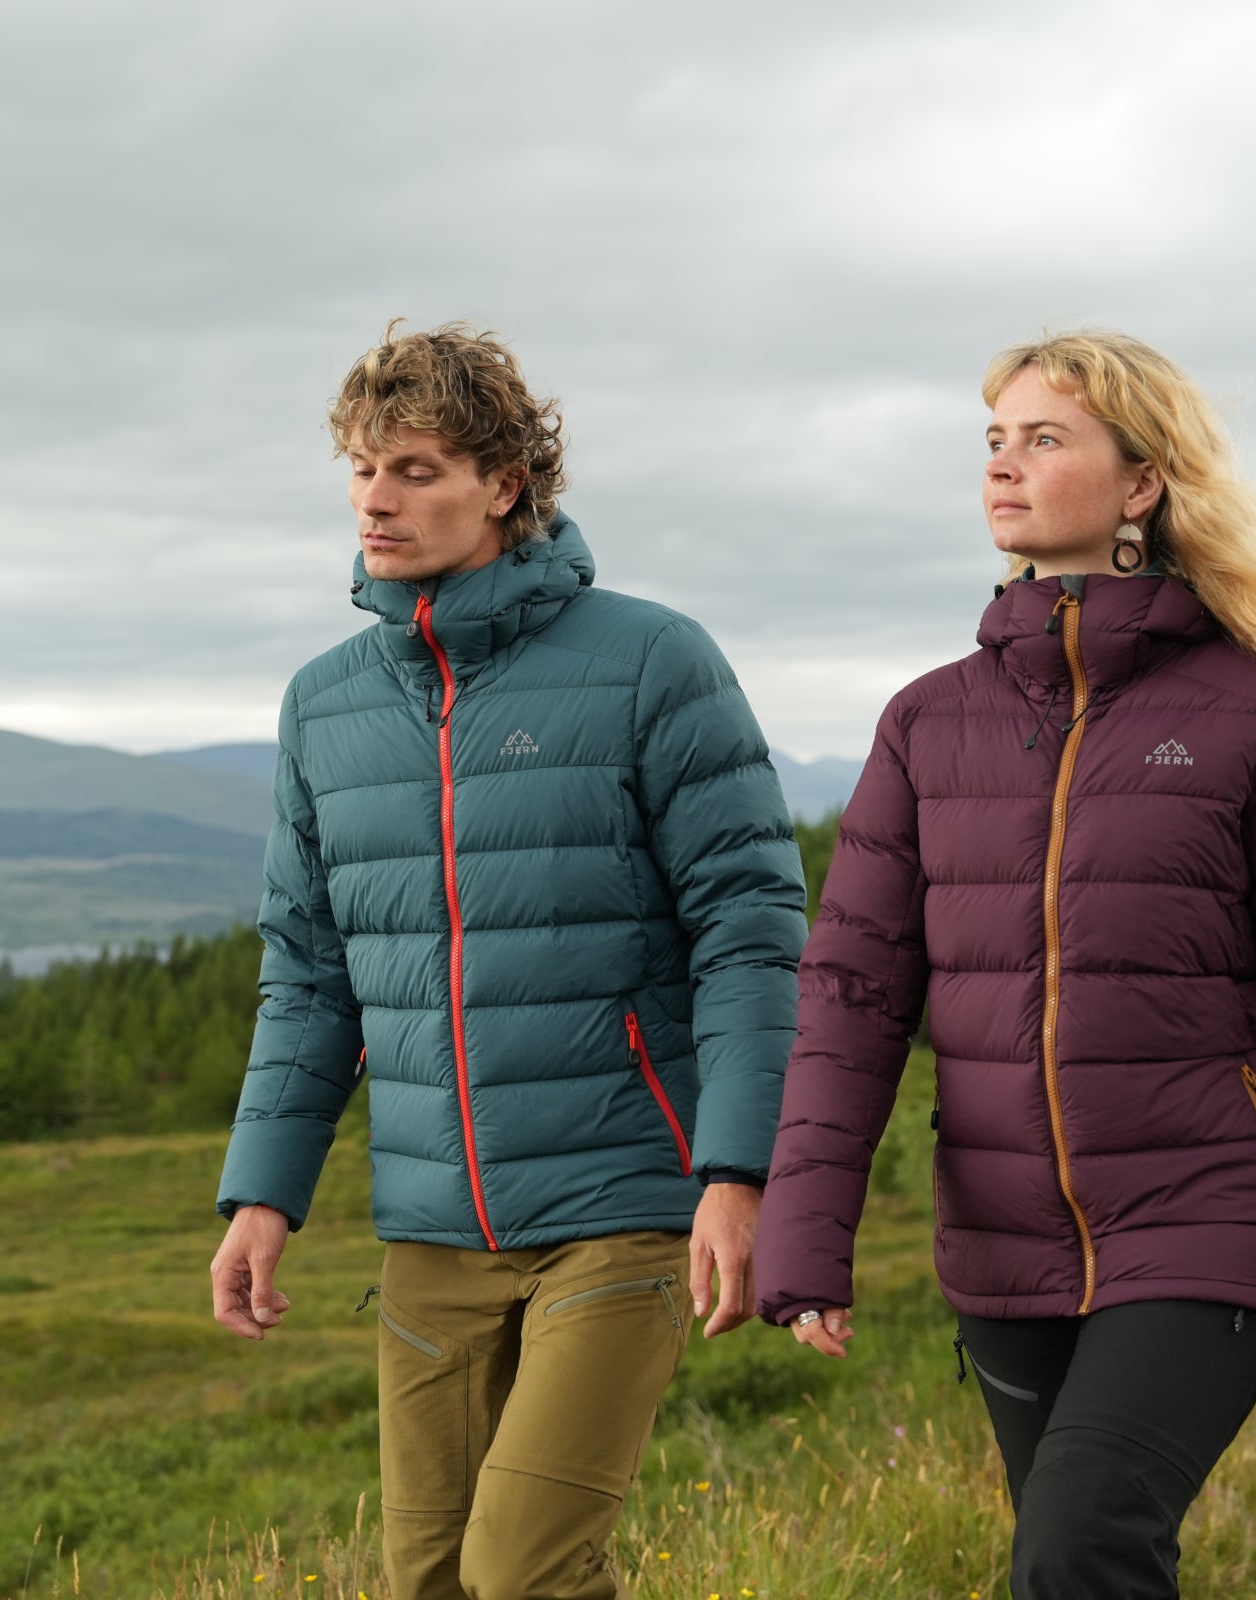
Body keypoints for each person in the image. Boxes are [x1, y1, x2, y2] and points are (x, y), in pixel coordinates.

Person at [752, 331, 1256, 1598]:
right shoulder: (928, 719)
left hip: (1205, 1223)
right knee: (1074, 1566)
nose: (1004, 465)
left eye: (1043, 438)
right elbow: (852, 996)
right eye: (994, 440)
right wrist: (805, 1234)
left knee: (1078, 1549)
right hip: (1001, 1241)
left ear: (1142, 481)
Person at [210, 322, 806, 1600]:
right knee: (427, 1580)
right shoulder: (326, 703)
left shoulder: (652, 659)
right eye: (364, 468)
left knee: (524, 1568)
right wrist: (264, 1192)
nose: (379, 497)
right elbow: (312, 975)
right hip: (432, 1228)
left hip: (622, 1202)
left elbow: (751, 933)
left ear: (505, 485)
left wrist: (740, 1169)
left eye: (418, 468)